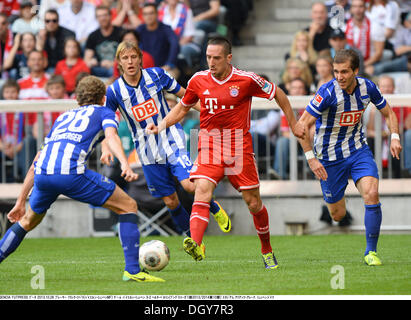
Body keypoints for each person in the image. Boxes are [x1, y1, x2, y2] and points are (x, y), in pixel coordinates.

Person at [0, 75, 165, 283]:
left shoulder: (63, 118)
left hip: (43, 174)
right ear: (103, 97)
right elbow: (111, 135)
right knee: (128, 205)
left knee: (27, 220)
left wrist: (20, 200)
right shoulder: (105, 111)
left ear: (78, 98)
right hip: (70, 173)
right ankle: (132, 270)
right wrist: (124, 163)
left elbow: (36, 161)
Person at [146, 36, 304, 268]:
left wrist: (293, 123)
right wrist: (160, 126)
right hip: (210, 142)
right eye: (208, 57)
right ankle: (196, 243)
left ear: (229, 58)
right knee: (201, 189)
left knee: (253, 203)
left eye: (216, 58)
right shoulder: (198, 80)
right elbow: (182, 107)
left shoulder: (246, 79)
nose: (211, 62)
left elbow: (278, 93)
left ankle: (267, 250)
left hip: (239, 146)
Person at [105, 40, 232, 240]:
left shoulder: (156, 75)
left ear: (140, 59)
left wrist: (213, 114)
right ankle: (191, 238)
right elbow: (108, 126)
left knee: (189, 185)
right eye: (125, 58)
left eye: (133, 57)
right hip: (146, 150)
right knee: (170, 201)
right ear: (119, 62)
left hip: (172, 137)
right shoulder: (114, 91)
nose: (130, 62)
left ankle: (214, 207)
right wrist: (106, 148)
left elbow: (185, 97)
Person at [296, 49, 402, 266]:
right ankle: (338, 196)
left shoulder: (368, 88)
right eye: (336, 71)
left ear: (356, 70)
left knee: (372, 193)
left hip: (357, 150)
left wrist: (394, 136)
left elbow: (389, 113)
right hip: (328, 158)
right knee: (337, 214)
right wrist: (311, 158)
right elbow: (301, 126)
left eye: (344, 71)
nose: (339, 76)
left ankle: (370, 252)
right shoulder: (327, 92)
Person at [136, 2, 180, 79]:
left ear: (157, 14)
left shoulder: (166, 29)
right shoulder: (140, 30)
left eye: (151, 13)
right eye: (145, 14)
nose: (148, 16)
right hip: (144, 69)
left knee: (170, 77)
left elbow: (175, 44)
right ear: (142, 16)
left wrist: (169, 64)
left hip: (165, 68)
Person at [84, 5, 123, 78]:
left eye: (105, 15)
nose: (102, 18)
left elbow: (127, 54)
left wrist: (113, 63)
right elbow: (87, 59)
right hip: (99, 68)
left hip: (116, 67)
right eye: (99, 16)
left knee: (114, 70)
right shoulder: (93, 35)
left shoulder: (120, 32)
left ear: (111, 16)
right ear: (96, 18)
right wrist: (97, 63)